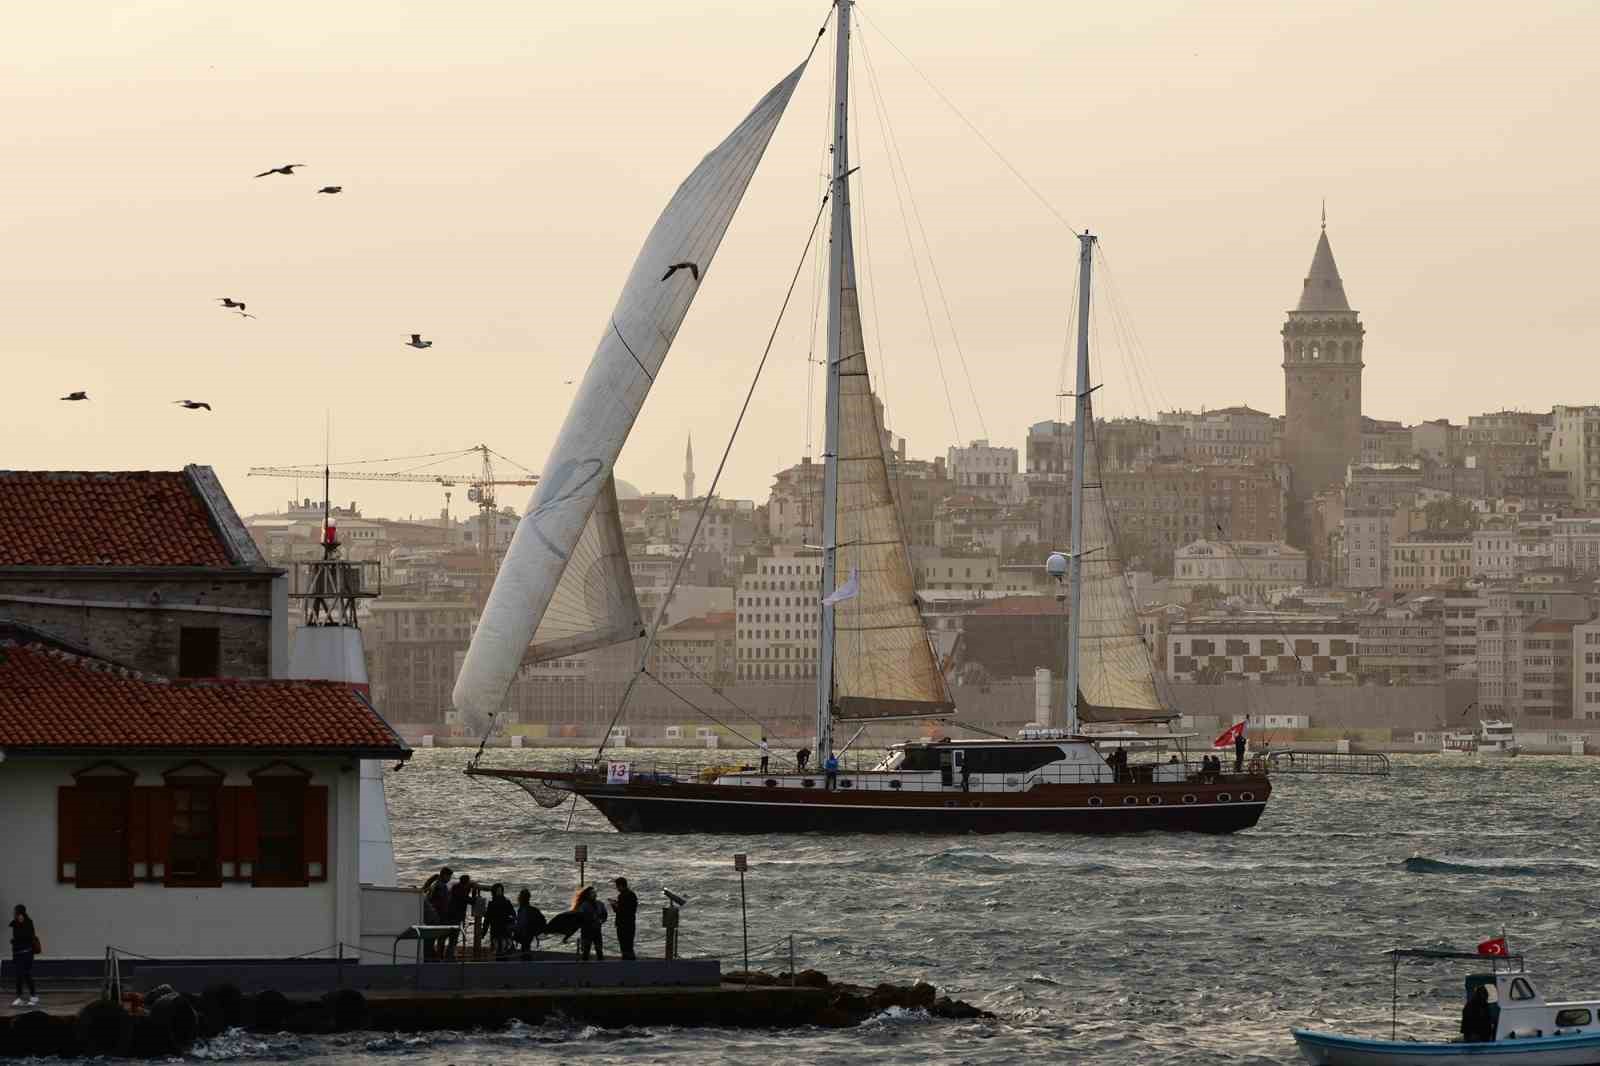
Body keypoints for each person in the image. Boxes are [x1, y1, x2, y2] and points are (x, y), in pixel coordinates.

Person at [10, 904, 38, 1007]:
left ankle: (33, 996)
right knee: (18, 976)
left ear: (21, 912)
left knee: (26, 975)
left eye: (17, 912)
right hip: (18, 953)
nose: (16, 914)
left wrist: (16, 940)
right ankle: (19, 997)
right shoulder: (15, 923)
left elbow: (29, 937)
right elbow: (16, 937)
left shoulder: (28, 923)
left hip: (27, 953)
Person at [572, 885, 607, 961]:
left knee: (599, 951)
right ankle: (584, 969)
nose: (594, 894)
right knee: (585, 952)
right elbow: (580, 918)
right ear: (588, 895)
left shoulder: (600, 904)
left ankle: (601, 966)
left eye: (594, 892)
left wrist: (601, 920)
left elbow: (604, 915)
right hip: (586, 931)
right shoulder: (584, 906)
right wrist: (589, 920)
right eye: (592, 893)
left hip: (597, 931)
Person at [610, 877, 639, 961]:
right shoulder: (632, 894)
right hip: (631, 923)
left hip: (622, 924)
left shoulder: (622, 896)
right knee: (629, 944)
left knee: (624, 944)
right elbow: (632, 909)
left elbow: (620, 911)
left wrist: (614, 905)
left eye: (617, 886)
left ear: (621, 886)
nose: (617, 888)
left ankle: (626, 961)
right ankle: (631, 961)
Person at [485, 883, 516, 957]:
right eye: (498, 890)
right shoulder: (506, 902)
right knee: (505, 950)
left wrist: (484, 931)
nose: (499, 892)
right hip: (503, 929)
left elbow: (487, 919)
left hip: (498, 929)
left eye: (499, 890)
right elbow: (513, 915)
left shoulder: (492, 904)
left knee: (498, 950)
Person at [513, 889, 545, 959]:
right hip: (531, 933)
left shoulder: (522, 909)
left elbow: (521, 924)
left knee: (525, 949)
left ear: (520, 898)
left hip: (525, 933)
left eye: (519, 897)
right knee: (526, 948)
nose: (518, 898)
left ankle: (525, 959)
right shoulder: (531, 909)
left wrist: (513, 928)